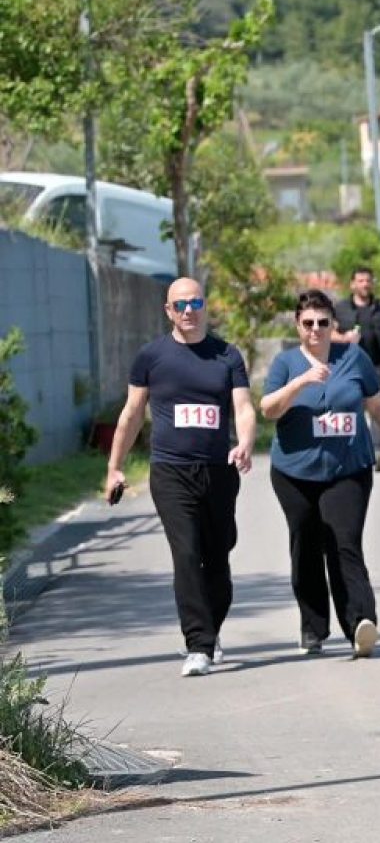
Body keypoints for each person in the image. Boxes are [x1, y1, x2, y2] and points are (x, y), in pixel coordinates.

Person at [104, 277, 256, 678]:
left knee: (217, 555)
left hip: (219, 471)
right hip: (170, 471)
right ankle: (198, 645)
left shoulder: (227, 356)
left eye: (196, 302)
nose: (189, 310)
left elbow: (243, 407)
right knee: (186, 554)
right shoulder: (151, 357)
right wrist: (114, 467)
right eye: (180, 305)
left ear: (205, 306)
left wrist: (244, 443)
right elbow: (132, 413)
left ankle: (211, 628)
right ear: (168, 311)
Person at [261, 290, 380, 658]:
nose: (316, 330)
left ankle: (360, 623)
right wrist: (301, 383)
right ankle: (313, 628)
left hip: (348, 469)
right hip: (294, 473)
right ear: (298, 326)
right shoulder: (285, 364)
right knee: (306, 546)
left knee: (345, 542)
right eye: (308, 323)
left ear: (333, 325)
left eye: (323, 323)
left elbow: (377, 405)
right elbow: (268, 409)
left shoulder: (353, 358)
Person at [332, 267, 380, 472]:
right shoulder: (340, 308)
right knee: (351, 409)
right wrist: (344, 338)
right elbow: (328, 333)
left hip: (377, 367)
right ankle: (350, 451)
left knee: (379, 408)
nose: (365, 284)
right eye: (361, 280)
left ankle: (377, 451)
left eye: (368, 280)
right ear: (352, 284)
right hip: (349, 367)